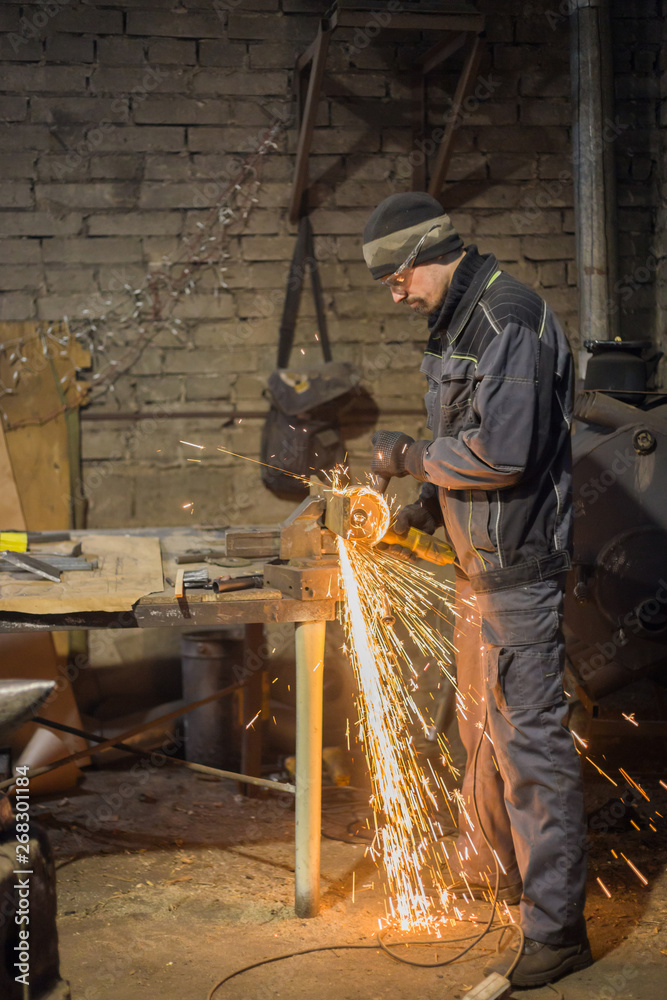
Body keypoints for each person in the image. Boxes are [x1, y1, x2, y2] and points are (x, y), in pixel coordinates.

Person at [363, 192, 592, 988]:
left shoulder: (507, 319)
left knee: (530, 748)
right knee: (481, 736)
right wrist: (423, 506)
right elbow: (466, 444)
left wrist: (406, 456)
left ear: (431, 252)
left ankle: (557, 931)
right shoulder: (458, 323)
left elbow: (500, 454)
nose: (393, 292)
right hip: (478, 573)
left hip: (519, 576)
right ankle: (493, 870)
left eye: (396, 277)